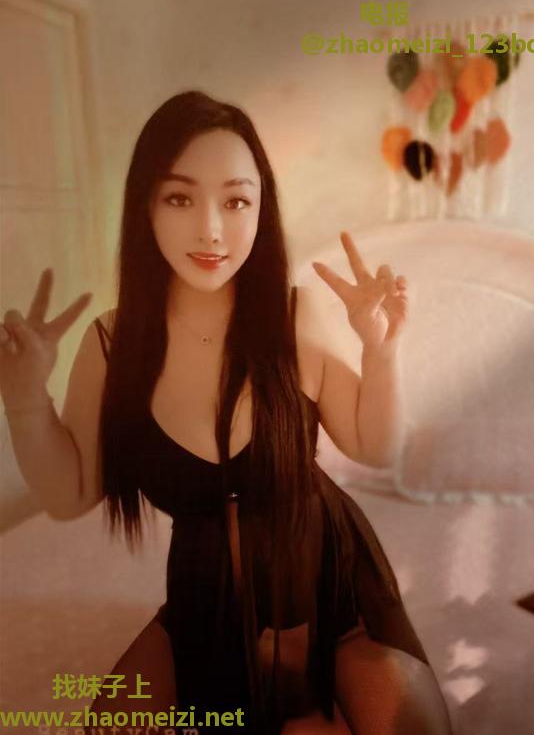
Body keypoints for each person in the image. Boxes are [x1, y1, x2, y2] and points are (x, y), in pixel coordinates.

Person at [0, 90, 453, 735]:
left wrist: (380, 350)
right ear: (145, 207)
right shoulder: (113, 344)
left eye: (236, 201)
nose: (211, 229)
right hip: (205, 598)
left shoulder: (293, 316)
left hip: (328, 587)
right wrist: (23, 400)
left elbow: (376, 447)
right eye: (180, 198)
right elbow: (71, 495)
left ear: (261, 210)